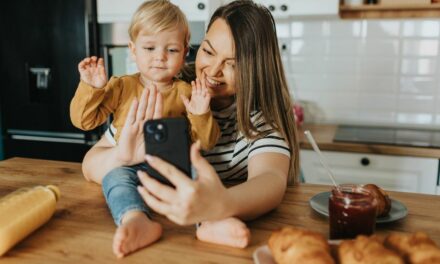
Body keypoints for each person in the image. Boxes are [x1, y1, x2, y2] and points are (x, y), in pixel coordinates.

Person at [81, 0, 300, 258]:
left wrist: (220, 206)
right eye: (208, 52)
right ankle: (134, 218)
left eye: (232, 63)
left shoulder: (259, 120)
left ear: (255, 69)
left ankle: (210, 223)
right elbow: (90, 163)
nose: (213, 70)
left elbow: (271, 180)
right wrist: (122, 156)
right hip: (160, 234)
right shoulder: (167, 91)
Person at [69, 0, 221, 258]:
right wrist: (91, 88)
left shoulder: (188, 92)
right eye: (149, 47)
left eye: (171, 50)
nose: (159, 57)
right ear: (132, 49)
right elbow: (84, 121)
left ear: (185, 52)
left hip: (175, 167)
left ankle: (212, 221)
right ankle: (135, 219)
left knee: (201, 173)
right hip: (129, 167)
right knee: (114, 178)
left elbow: (206, 143)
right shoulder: (121, 87)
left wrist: (200, 112)